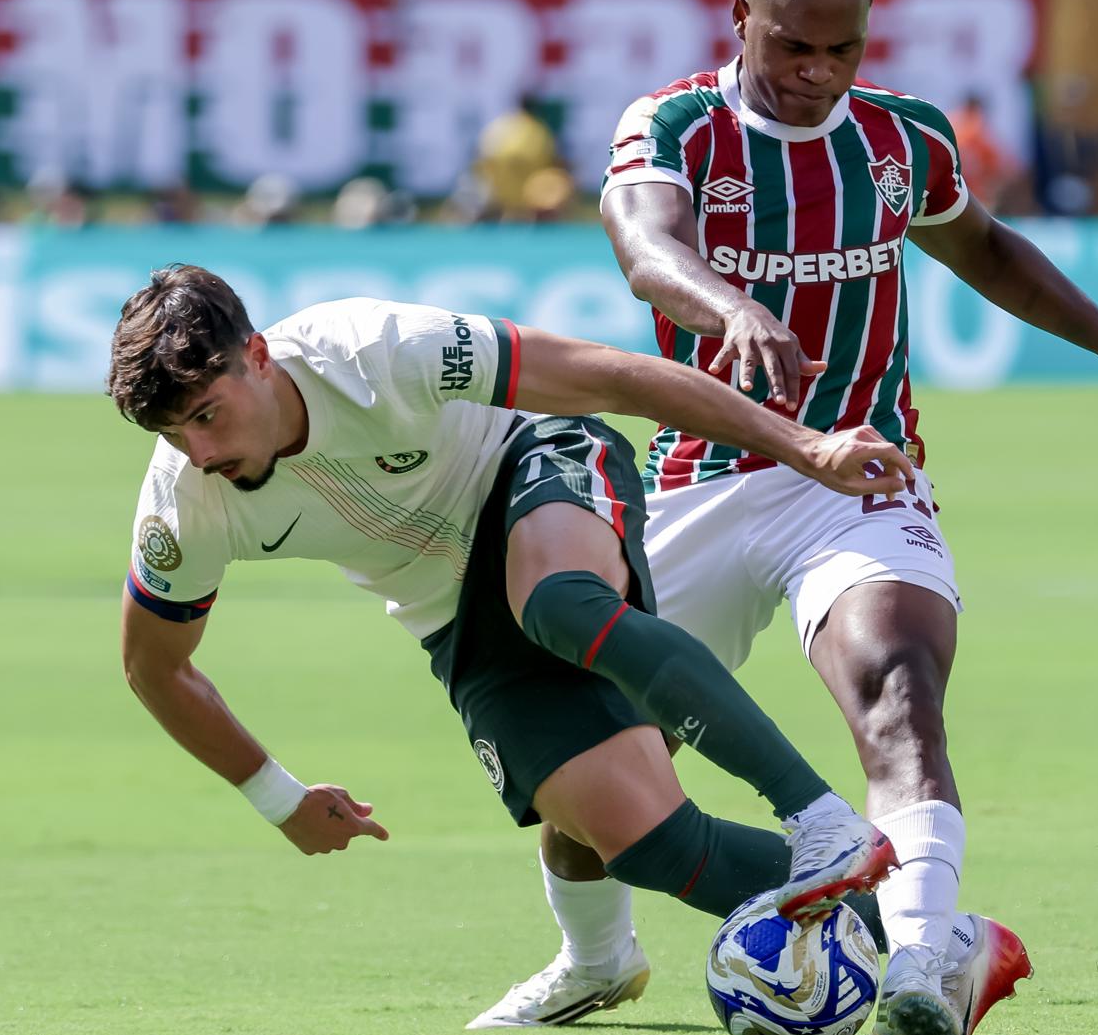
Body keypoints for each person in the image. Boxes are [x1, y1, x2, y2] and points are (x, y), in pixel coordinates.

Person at [471, 0, 1098, 1035]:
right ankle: (595, 958)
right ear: (740, 16)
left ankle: (919, 968)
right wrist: (729, 305)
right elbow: (645, 248)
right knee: (590, 764)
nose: (816, 71)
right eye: (792, 44)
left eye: (842, 48)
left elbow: (985, 246)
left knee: (900, 686)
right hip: (702, 478)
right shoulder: (676, 126)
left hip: (857, 474)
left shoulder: (902, 140)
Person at [109, 266, 914, 960]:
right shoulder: (184, 502)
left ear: (258, 357)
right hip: (448, 603)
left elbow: (612, 376)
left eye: (206, 414)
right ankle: (922, 943)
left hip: (533, 458)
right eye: (172, 433)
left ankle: (820, 815)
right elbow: (154, 665)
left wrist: (805, 447)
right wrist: (279, 799)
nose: (200, 454)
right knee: (644, 840)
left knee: (558, 601)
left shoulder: (373, 349)